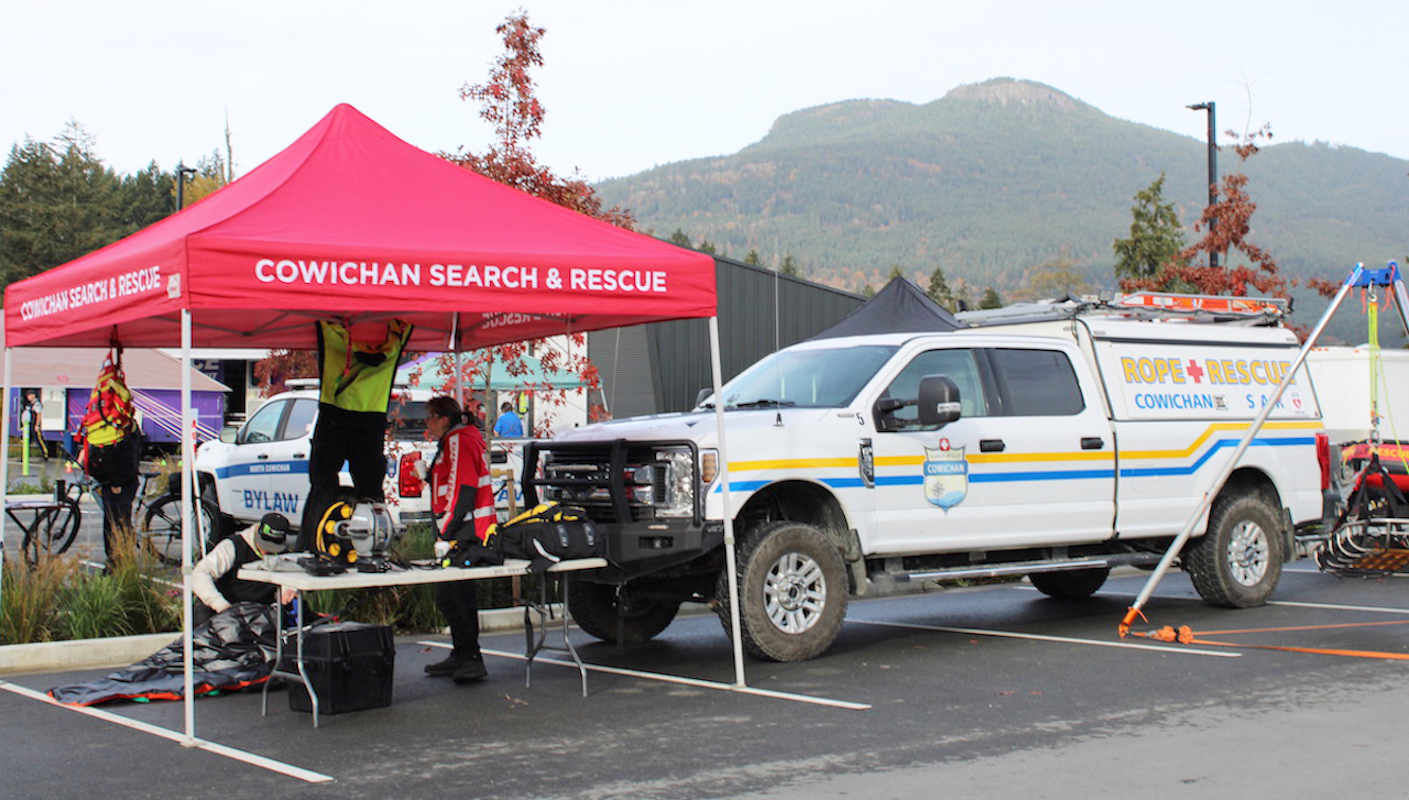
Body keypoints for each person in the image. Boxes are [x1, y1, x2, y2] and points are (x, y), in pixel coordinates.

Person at [301, 318, 413, 550]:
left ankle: (314, 546)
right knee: (370, 489)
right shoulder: (396, 339)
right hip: (371, 417)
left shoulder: (332, 336)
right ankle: (375, 548)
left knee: (322, 483)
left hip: (335, 412)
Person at [422, 395, 496, 684]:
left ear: (444, 417)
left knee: (454, 593)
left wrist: (446, 529)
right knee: (453, 593)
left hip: (465, 529)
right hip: (462, 527)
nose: (427, 422)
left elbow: (463, 489)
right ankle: (462, 653)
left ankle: (471, 657)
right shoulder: (457, 439)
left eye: (430, 416)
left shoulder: (459, 440)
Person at [192, 513, 298, 627]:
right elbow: (200, 573)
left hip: (260, 613)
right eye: (265, 545)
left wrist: (289, 589)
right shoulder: (232, 546)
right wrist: (220, 605)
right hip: (225, 606)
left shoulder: (284, 556)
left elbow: (291, 577)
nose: (267, 551)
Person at [19, 390, 48, 460]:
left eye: (29, 395)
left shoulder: (36, 404)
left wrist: (37, 425)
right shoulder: (30, 404)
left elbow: (38, 414)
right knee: (27, 441)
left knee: (38, 439)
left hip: (34, 424)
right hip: (29, 425)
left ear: (33, 395)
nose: (28, 397)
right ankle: (24, 456)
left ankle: (45, 455)